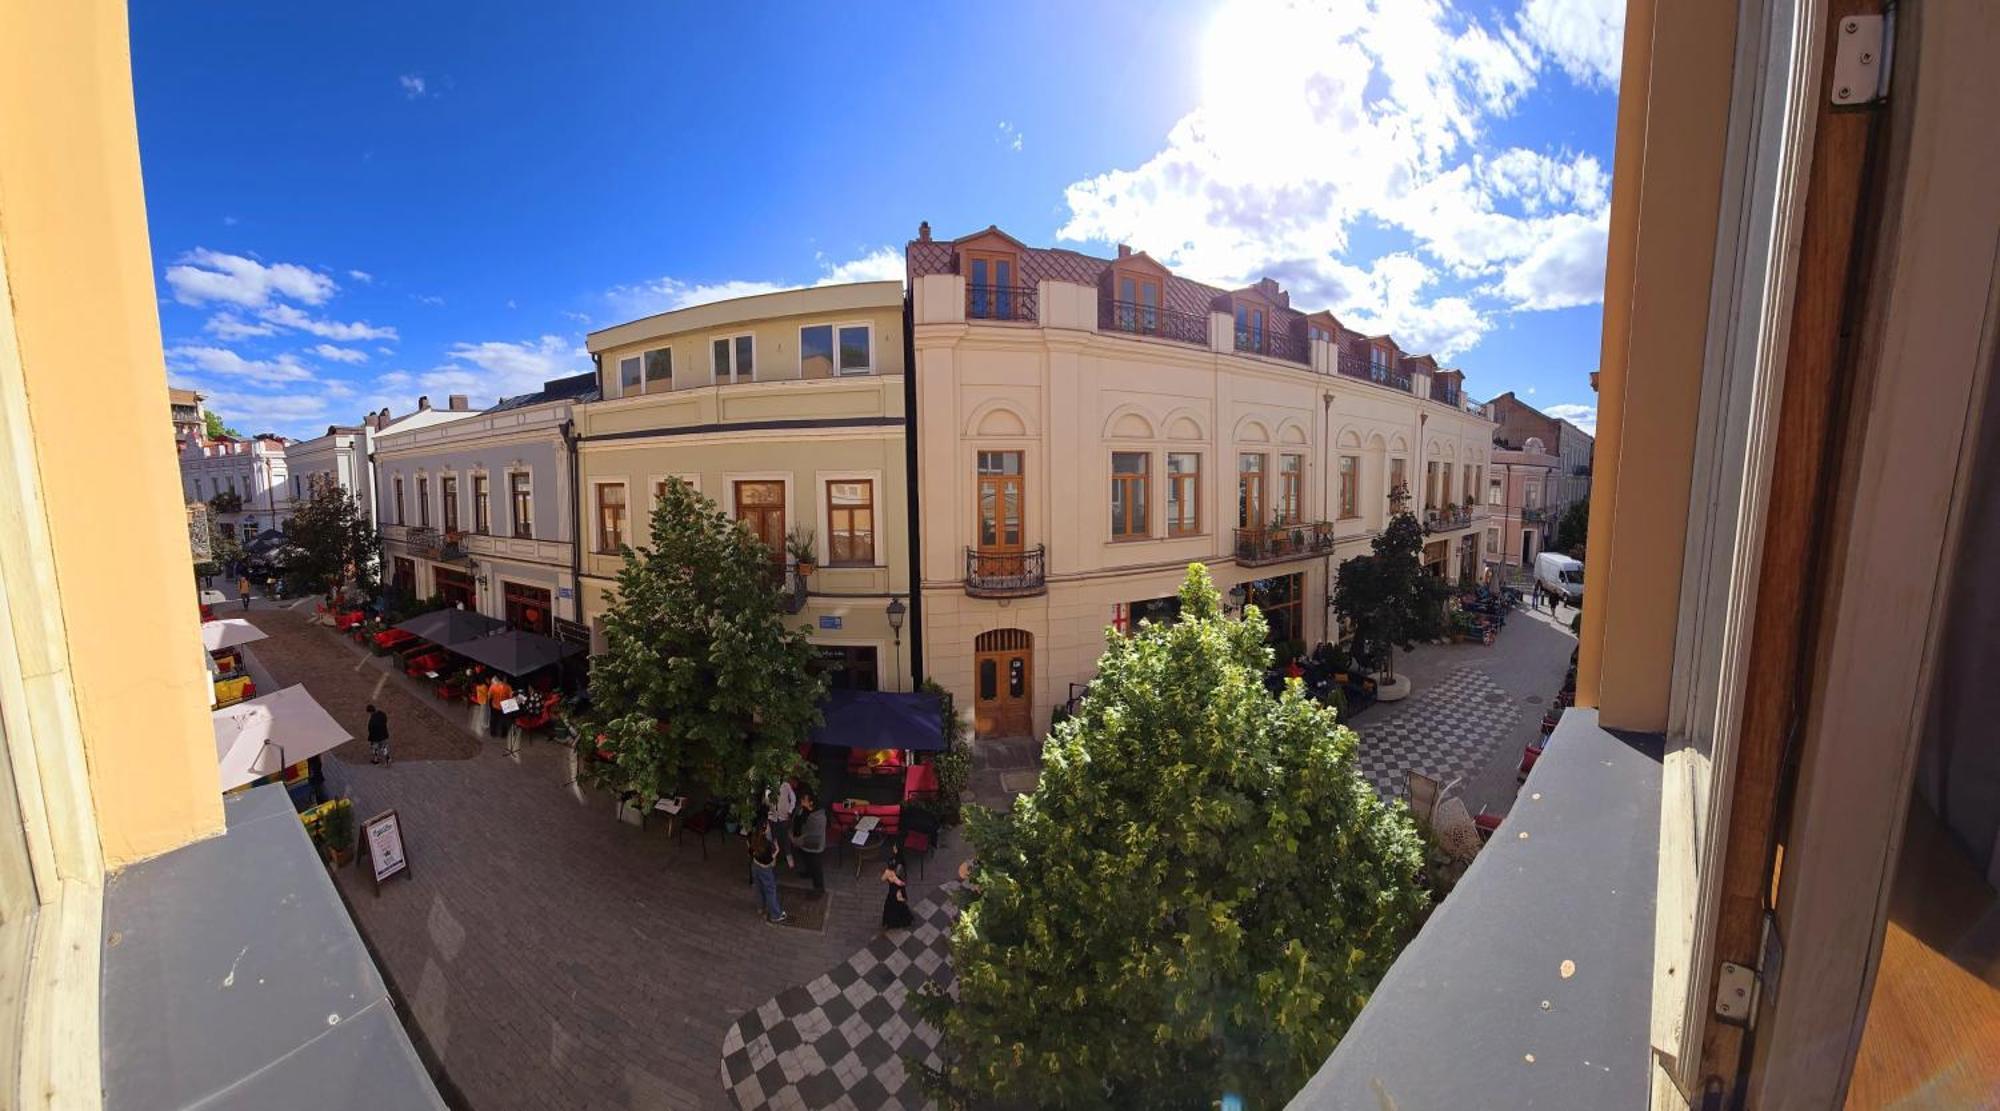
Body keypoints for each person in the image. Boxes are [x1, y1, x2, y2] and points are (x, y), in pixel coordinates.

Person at [748, 826, 788, 925]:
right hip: (765, 870)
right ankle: (775, 915)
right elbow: (770, 862)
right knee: (770, 891)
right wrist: (777, 851)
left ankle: (760, 907)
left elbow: (750, 853)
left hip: (755, 866)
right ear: (765, 829)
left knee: (758, 887)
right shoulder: (767, 845)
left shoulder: (752, 839)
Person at [793, 790, 827, 893]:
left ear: (811, 803)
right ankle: (808, 872)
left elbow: (810, 835)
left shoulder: (817, 817)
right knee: (806, 857)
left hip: (813, 844)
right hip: (804, 842)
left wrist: (796, 840)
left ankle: (819, 886)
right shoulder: (804, 809)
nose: (801, 801)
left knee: (815, 864)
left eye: (804, 800)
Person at [881, 842, 913, 930]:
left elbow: (898, 879)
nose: (893, 849)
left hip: (895, 889)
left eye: (895, 848)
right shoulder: (895, 860)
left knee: (894, 905)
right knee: (894, 905)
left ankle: (894, 922)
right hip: (893, 888)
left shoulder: (899, 866)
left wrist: (890, 877)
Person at [768, 778, 798, 871]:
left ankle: (789, 859)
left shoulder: (786, 785)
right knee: (773, 838)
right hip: (772, 817)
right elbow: (766, 799)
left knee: (786, 838)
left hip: (784, 816)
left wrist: (790, 811)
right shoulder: (769, 786)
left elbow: (793, 798)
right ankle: (774, 858)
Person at [486, 674, 514, 739]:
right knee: (504, 720)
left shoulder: (493, 687)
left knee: (493, 720)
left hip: (495, 706)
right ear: (504, 679)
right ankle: (503, 734)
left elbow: (489, 696)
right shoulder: (508, 687)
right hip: (504, 706)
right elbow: (511, 697)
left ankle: (493, 733)